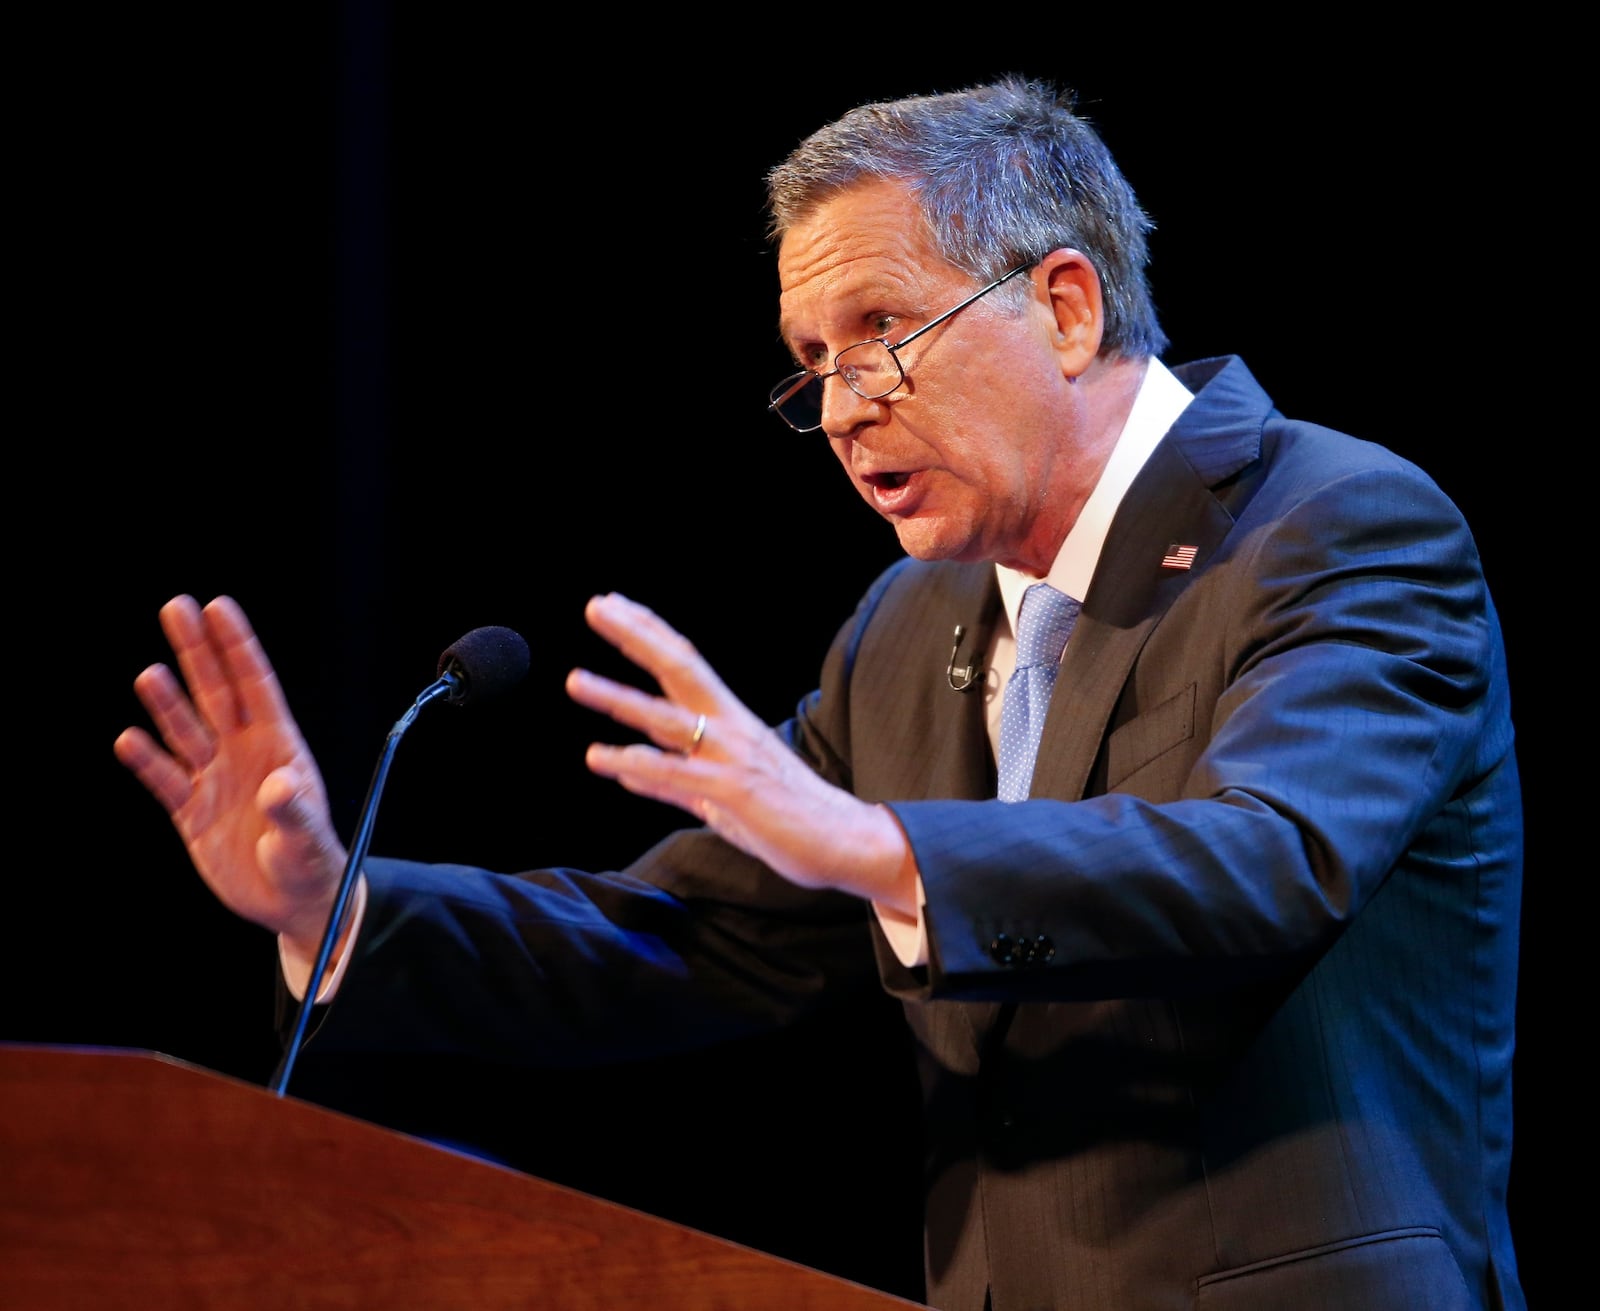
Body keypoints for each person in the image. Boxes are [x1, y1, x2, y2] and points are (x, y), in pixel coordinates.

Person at [113, 75, 1524, 1311]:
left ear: (1067, 304)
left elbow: (1268, 860)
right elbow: (697, 937)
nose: (844, 407)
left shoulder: (1336, 525)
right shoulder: (910, 626)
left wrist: (880, 847)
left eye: (881, 331)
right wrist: (335, 907)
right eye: (812, 364)